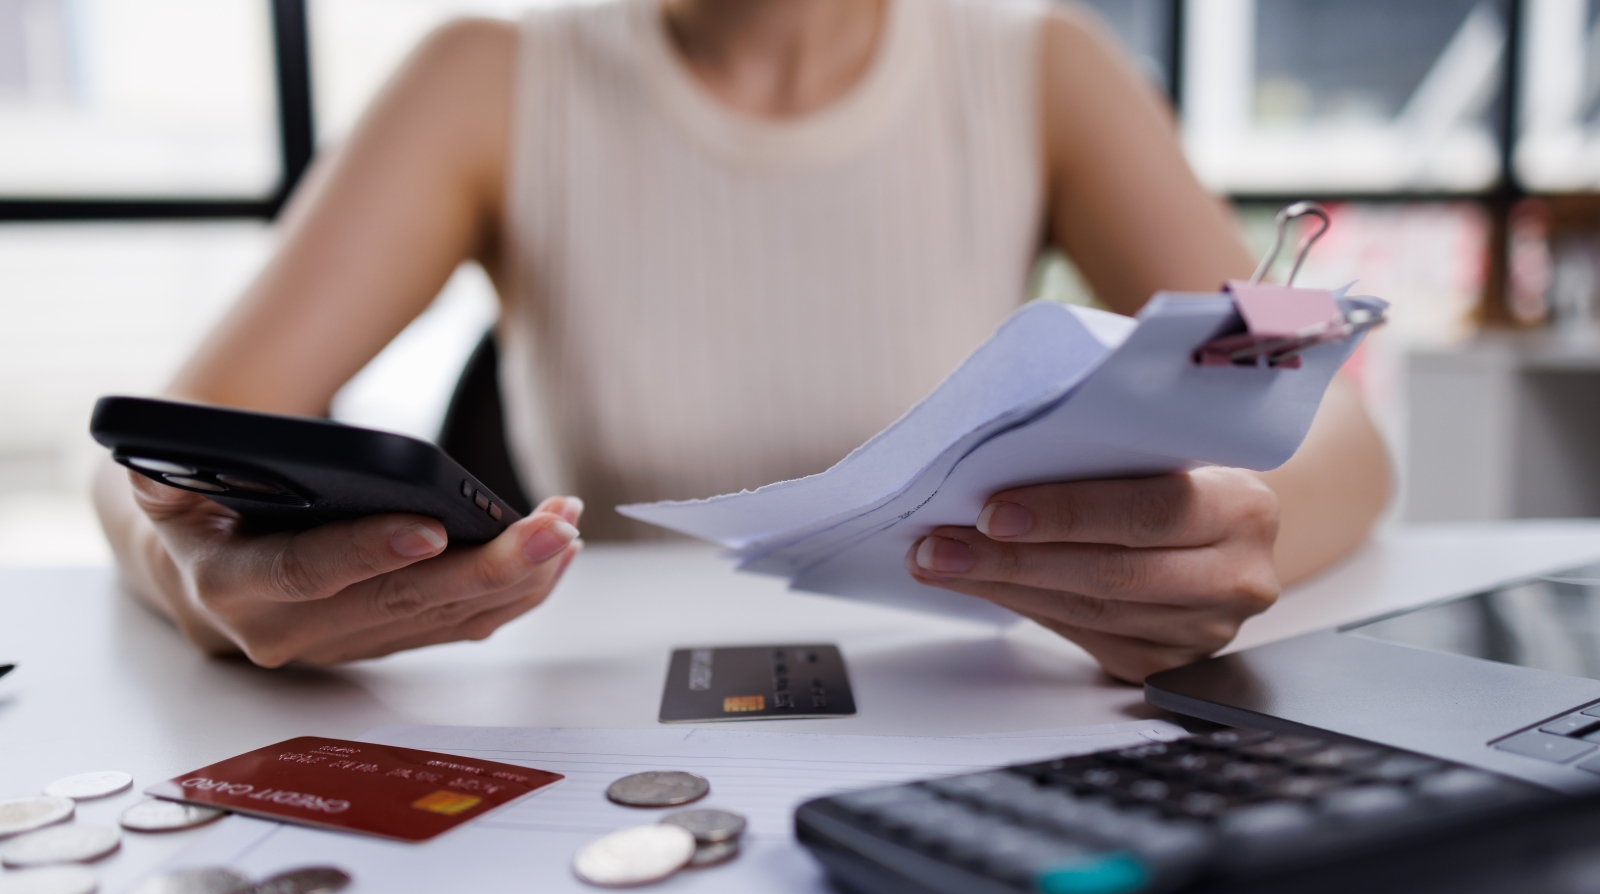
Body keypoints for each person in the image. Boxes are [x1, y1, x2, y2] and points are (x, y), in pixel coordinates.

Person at [93, 0, 1389, 683]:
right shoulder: (484, 80)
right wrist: (201, 581)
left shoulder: (1047, 66)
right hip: (602, 752)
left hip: (977, 730)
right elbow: (150, 450)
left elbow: (1336, 426)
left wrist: (1230, 517)